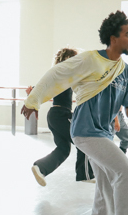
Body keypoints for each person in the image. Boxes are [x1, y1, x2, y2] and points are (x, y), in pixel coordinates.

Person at [21, 11, 128, 215]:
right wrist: (34, 99)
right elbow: (57, 73)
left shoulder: (126, 72)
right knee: (125, 170)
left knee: (107, 183)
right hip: (85, 131)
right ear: (113, 37)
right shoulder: (89, 60)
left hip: (104, 133)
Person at [26, 48, 96, 187]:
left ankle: (40, 168)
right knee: (83, 140)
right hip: (61, 115)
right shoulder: (64, 74)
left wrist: (33, 90)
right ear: (66, 60)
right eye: (73, 59)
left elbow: (46, 85)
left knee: (64, 149)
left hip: (55, 116)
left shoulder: (64, 75)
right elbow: (46, 85)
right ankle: (85, 174)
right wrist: (33, 92)